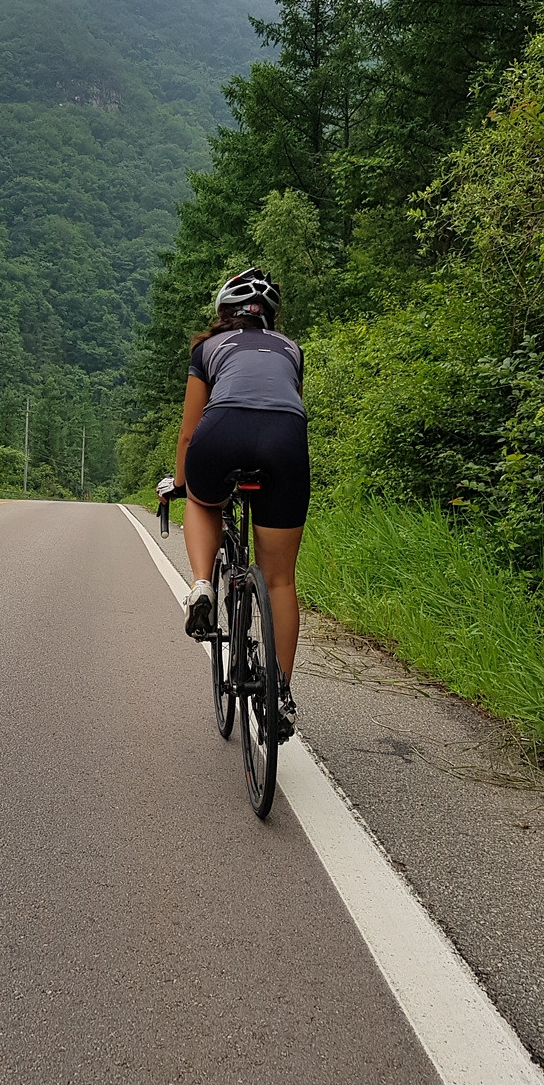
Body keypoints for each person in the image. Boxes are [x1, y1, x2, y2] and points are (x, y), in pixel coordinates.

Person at [156, 267, 309, 738]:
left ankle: (202, 583)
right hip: (285, 439)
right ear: (270, 317)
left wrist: (180, 483)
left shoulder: (207, 349)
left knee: (202, 501)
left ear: (224, 312)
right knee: (280, 579)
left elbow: (188, 432)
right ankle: (279, 696)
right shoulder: (291, 349)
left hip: (221, 432)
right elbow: (285, 403)